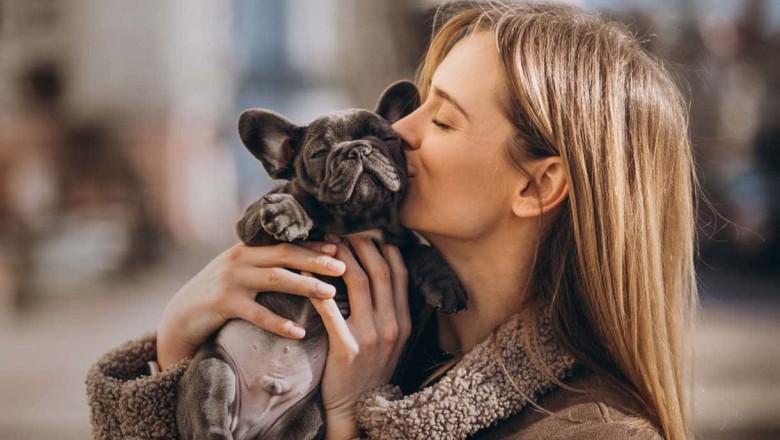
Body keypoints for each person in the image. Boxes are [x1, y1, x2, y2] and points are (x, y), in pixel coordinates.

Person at [86, 2, 698, 439]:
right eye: (419, 101)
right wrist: (179, 356)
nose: (395, 131)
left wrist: (351, 418)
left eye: (443, 119)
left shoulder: (591, 431)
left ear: (537, 184)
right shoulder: (396, 334)